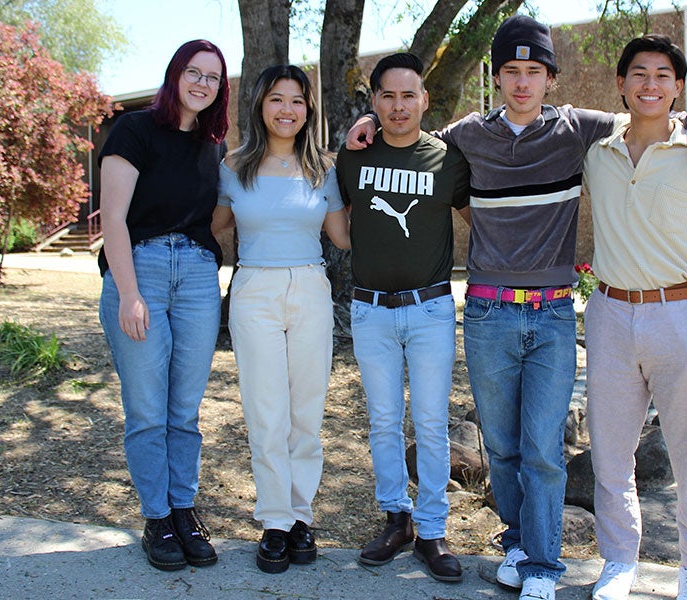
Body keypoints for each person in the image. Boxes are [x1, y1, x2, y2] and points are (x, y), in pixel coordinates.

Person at [346, 15, 687, 600]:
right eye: (511, 71)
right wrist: (372, 118)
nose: (522, 83)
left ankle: (544, 568)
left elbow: (652, 112)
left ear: (551, 78)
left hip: (551, 315)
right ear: (496, 76)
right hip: (487, 313)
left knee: (545, 448)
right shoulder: (467, 136)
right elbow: (410, 128)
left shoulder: (580, 131)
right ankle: (519, 541)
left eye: (534, 72)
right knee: (501, 445)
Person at [582, 34, 687, 600]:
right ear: (621, 84)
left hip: (680, 315)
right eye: (639, 74)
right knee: (609, 451)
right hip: (608, 313)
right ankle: (619, 561)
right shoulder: (596, 152)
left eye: (663, 75)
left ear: (678, 88)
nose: (651, 84)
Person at [335, 52, 471, 583]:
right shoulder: (353, 156)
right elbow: (330, 209)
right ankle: (397, 519)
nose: (398, 106)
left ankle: (433, 531)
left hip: (431, 308)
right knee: (384, 421)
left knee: (432, 424)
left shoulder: (446, 160)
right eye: (387, 96)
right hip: (370, 311)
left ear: (425, 100)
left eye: (408, 95)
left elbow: (478, 220)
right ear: (374, 101)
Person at [211, 64, 350, 575]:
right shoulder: (235, 166)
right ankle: (274, 521)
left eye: (296, 100)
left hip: (311, 288)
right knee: (265, 410)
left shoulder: (324, 170)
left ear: (308, 109)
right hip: (254, 289)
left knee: (306, 412)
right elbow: (213, 222)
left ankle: (300, 517)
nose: (287, 110)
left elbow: (342, 237)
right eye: (276, 99)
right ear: (260, 106)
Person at [97, 39, 229, 572]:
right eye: (193, 72)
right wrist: (129, 293)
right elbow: (112, 219)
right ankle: (156, 517)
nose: (202, 83)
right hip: (142, 272)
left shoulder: (211, 143)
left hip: (198, 277)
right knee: (148, 410)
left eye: (213, 78)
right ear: (175, 74)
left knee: (186, 411)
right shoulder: (134, 129)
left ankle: (183, 510)